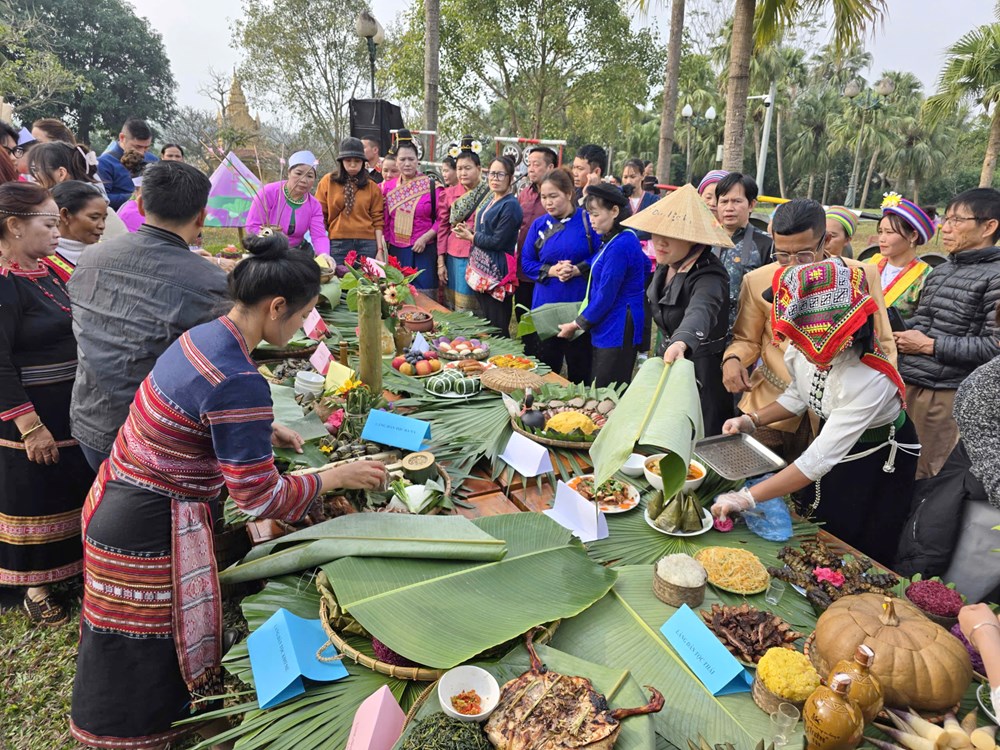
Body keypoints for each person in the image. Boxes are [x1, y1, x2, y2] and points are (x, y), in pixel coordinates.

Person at [69, 230, 388, 750]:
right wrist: (336, 477)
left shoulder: (206, 335)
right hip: (148, 524)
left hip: (118, 495)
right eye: (304, 313)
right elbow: (259, 499)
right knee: (143, 648)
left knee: (118, 638)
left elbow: (195, 412)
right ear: (277, 305)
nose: (307, 324)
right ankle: (140, 737)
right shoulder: (240, 378)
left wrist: (259, 431)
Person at [712, 260, 918, 565]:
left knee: (850, 532)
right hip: (834, 440)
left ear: (834, 335)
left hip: (876, 456)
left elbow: (815, 461)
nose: (791, 341)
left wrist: (747, 498)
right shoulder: (805, 344)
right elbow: (799, 395)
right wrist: (752, 420)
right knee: (818, 509)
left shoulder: (870, 379)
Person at [69, 161, 229, 471]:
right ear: (201, 217)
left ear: (141, 205)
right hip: (156, 440)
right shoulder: (212, 282)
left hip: (91, 422)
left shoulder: (90, 258)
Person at [722, 199, 896, 461]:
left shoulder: (859, 275)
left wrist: (869, 400)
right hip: (771, 398)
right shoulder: (758, 280)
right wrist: (733, 359)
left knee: (814, 487)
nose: (793, 265)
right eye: (782, 255)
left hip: (833, 405)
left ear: (824, 241)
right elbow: (746, 339)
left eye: (804, 255)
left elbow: (882, 342)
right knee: (754, 474)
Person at [0, 182, 95, 626]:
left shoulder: (52, 268)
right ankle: (33, 584)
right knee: (33, 494)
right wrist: (29, 425)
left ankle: (72, 565)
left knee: (68, 485)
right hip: (32, 411)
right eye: (48, 223)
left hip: (69, 405)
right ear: (15, 227)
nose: (58, 231)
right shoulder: (4, 283)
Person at [895, 187, 1000, 480]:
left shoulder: (996, 276)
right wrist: (901, 334)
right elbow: (925, 319)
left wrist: (930, 346)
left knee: (925, 472)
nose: (946, 228)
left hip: (944, 393)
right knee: (894, 463)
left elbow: (996, 347)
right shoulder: (941, 270)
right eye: (946, 219)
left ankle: (917, 527)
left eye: (957, 220)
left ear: (989, 226)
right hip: (908, 381)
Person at [624, 184, 733, 434]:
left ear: (693, 237)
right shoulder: (666, 264)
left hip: (701, 372)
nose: (660, 242)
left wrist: (682, 342)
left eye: (671, 234)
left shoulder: (710, 274)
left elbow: (701, 310)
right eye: (656, 233)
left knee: (696, 438)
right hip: (669, 361)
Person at [556, 183, 647, 386]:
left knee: (607, 389)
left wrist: (576, 324)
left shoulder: (620, 245)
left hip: (618, 323)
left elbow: (606, 295)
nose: (591, 220)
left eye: (595, 215)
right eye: (589, 214)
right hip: (612, 321)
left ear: (614, 211)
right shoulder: (618, 238)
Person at [521, 169, 600, 382]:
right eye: (544, 197)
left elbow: (602, 255)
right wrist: (552, 271)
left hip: (578, 305)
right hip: (546, 306)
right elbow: (526, 263)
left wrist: (578, 269)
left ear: (568, 193)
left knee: (580, 367)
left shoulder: (587, 221)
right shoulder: (538, 225)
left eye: (553, 196)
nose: (548, 202)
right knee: (544, 368)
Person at [453, 156, 523, 335]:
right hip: (482, 270)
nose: (495, 179)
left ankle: (503, 360)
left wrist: (471, 236)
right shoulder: (493, 200)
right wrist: (469, 230)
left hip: (497, 272)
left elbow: (498, 241)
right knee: (486, 322)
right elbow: (486, 231)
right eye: (492, 174)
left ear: (510, 178)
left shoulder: (511, 205)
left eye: (500, 174)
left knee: (497, 326)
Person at [382, 131, 442, 297]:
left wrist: (425, 238)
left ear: (418, 160)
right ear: (396, 161)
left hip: (424, 250)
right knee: (397, 296)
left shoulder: (431, 187)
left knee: (425, 297)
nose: (407, 163)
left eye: (411, 159)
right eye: (402, 159)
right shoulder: (387, 188)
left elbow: (442, 219)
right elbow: (385, 220)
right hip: (397, 251)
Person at [712, 172, 774, 332]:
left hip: (746, 335)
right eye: (724, 201)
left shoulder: (767, 245)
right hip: (706, 334)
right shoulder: (704, 241)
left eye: (736, 201)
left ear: (751, 204)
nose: (729, 208)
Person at [246, 150, 330, 256]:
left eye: (309, 176)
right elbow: (252, 226)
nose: (304, 180)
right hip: (267, 250)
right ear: (289, 173)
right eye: (298, 173)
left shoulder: (314, 205)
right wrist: (270, 240)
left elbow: (319, 236)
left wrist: (324, 254)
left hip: (298, 252)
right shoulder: (268, 193)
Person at [315, 137, 384, 265]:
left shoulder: (372, 186)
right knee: (337, 283)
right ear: (341, 162)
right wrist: (320, 246)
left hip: (367, 244)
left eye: (357, 161)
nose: (353, 165)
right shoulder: (328, 181)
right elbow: (319, 216)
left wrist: (379, 250)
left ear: (363, 162)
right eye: (348, 160)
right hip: (337, 243)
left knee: (367, 283)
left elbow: (378, 220)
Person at [437, 136, 486, 312]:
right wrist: (440, 260)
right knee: (455, 302)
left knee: (475, 302)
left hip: (480, 253)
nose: (462, 173)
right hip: (454, 254)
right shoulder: (448, 194)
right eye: (459, 169)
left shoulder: (489, 193)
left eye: (467, 168)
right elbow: (442, 227)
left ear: (479, 169)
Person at [515, 146, 557, 347]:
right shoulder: (525, 193)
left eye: (536, 164)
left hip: (546, 270)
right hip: (523, 267)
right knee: (522, 314)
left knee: (543, 321)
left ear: (550, 167)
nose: (531, 169)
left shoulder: (559, 200)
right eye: (529, 164)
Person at [870, 192, 934, 321]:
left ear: (913, 236)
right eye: (880, 232)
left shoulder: (926, 277)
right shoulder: (869, 263)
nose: (881, 239)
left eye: (889, 232)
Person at [45, 181, 108, 281]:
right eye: (94, 217)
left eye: (104, 218)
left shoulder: (108, 253)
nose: (102, 226)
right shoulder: (41, 262)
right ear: (65, 215)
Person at [97, 118, 158, 210]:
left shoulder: (153, 160)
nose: (142, 152)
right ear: (122, 138)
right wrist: (134, 196)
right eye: (137, 146)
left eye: (146, 147)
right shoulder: (104, 163)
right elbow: (100, 199)